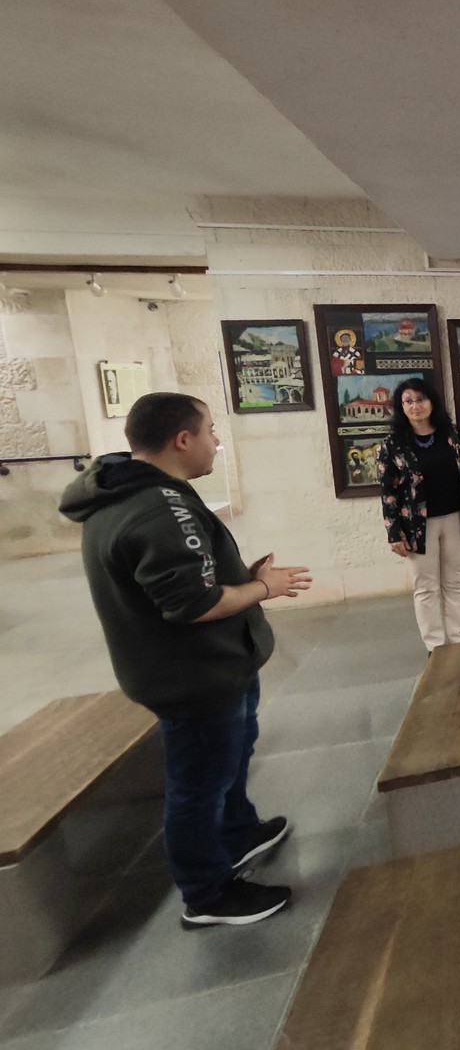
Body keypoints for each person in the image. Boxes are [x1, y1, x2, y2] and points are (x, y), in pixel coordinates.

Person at [60, 392, 311, 927]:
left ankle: (236, 833)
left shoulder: (144, 491)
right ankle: (207, 892)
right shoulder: (155, 508)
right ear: (182, 439)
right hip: (193, 675)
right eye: (210, 431)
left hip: (217, 663)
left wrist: (242, 577)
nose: (216, 442)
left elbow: (183, 577)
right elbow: (193, 604)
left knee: (231, 755)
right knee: (199, 784)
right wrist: (264, 588)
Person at [379, 377, 460, 652]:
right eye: (408, 401)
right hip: (417, 526)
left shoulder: (452, 434)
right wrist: (393, 532)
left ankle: (458, 643)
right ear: (401, 407)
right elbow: (388, 492)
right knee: (426, 587)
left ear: (432, 401)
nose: (415, 406)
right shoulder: (393, 444)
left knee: (454, 583)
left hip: (456, 518)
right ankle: (435, 648)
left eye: (420, 399)